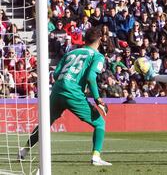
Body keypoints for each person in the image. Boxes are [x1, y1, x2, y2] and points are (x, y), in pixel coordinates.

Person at [18, 27, 112, 166]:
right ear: (99, 40)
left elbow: (55, 74)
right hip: (73, 92)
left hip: (57, 90)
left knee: (45, 123)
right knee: (99, 123)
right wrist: (97, 99)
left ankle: (24, 151)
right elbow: (92, 77)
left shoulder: (71, 52)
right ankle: (96, 157)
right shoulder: (97, 56)